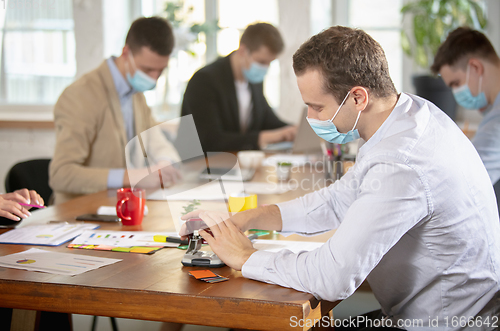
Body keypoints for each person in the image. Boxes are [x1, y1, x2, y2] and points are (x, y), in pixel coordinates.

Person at [182, 26, 500, 330]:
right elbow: (337, 200)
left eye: (317, 107)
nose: (310, 118)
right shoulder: (409, 116)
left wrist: (246, 256)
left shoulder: (400, 162)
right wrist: (250, 218)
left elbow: (334, 277)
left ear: (358, 98)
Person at [50, 17, 181, 204]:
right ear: (126, 53)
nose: (154, 78)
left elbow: (155, 139)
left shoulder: (136, 94)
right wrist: (132, 176)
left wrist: (164, 163)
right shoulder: (80, 95)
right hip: (80, 212)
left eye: (160, 70)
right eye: (147, 69)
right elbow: (61, 174)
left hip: (123, 208)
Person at [180, 22, 296, 152]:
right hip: (201, 165)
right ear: (243, 50)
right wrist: (263, 138)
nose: (265, 68)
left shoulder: (254, 80)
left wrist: (293, 130)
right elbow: (211, 140)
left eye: (269, 63)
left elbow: (267, 120)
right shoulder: (204, 80)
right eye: (261, 62)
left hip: (236, 163)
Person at [432, 27, 500, 186]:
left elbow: (467, 185)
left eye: (456, 83)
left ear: (476, 68)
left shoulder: (496, 122)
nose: (456, 93)